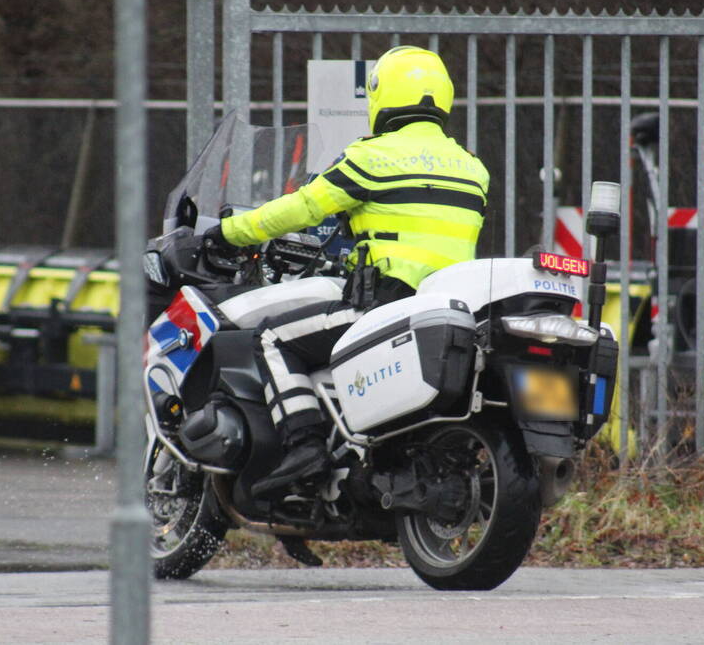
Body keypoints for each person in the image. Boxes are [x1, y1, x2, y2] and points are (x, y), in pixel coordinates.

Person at [204, 46, 490, 498]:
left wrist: (229, 232)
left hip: (387, 305)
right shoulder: (473, 169)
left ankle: (304, 446)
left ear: (384, 95)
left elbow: (301, 208)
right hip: (451, 312)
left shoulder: (370, 159)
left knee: (272, 339)